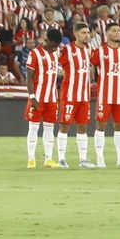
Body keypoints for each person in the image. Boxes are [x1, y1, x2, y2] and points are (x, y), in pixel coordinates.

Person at [90, 20, 120, 167]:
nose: (117, 33)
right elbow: (90, 65)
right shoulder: (100, 51)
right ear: (107, 33)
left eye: (119, 31)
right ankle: (100, 158)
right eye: (114, 30)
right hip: (104, 95)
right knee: (101, 126)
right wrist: (91, 80)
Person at [56, 20, 95, 168]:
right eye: (84, 33)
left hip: (84, 95)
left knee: (83, 127)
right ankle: (61, 159)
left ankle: (83, 159)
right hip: (69, 94)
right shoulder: (67, 50)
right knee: (65, 126)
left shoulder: (88, 49)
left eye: (88, 32)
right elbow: (57, 65)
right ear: (75, 34)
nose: (87, 35)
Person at [23, 27, 62, 168]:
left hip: (52, 98)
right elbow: (29, 77)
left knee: (49, 128)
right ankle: (31, 159)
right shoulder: (35, 54)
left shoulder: (55, 54)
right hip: (37, 97)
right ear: (48, 40)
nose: (54, 48)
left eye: (56, 46)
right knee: (33, 128)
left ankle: (48, 159)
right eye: (53, 45)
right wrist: (32, 96)